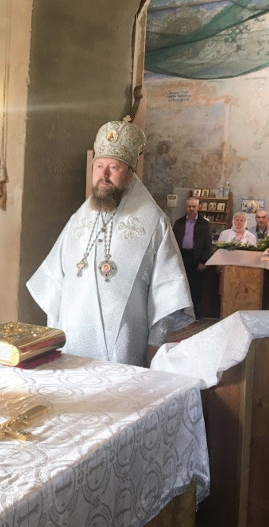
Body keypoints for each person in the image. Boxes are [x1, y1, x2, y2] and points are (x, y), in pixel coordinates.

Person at [27, 118, 194, 367]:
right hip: (72, 342)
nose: (103, 175)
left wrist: (154, 347)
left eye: (113, 167)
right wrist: (53, 335)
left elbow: (167, 292)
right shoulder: (78, 220)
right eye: (99, 166)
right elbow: (53, 283)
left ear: (130, 175)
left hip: (124, 347)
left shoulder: (154, 224)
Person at [173, 197, 213, 319]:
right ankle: (180, 312)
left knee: (196, 287)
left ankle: (195, 312)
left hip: (196, 259)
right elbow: (173, 241)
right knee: (181, 285)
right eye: (189, 206)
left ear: (198, 208)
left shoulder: (204, 224)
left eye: (193, 206)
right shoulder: (179, 223)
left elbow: (208, 244)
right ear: (186, 208)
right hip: (182, 257)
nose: (191, 208)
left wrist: (203, 261)